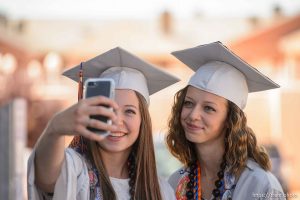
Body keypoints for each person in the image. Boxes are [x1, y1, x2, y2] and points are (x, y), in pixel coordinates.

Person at [27, 47, 179, 200]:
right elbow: (47, 179)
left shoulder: (161, 190)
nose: (116, 120)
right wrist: (54, 129)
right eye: (107, 108)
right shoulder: (77, 171)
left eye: (129, 111)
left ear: (142, 121)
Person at [166, 42, 286, 200]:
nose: (193, 115)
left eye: (209, 108)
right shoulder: (175, 183)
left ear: (231, 119)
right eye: (188, 103)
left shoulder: (260, 185)